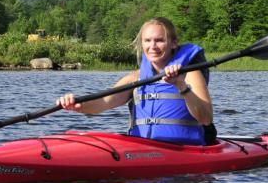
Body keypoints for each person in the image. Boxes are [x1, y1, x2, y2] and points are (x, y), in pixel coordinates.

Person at [56, 17, 215, 145]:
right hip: (143, 147)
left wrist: (181, 86)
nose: (152, 46)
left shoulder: (190, 74)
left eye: (159, 40)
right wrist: (78, 105)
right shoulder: (135, 78)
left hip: (184, 151)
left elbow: (206, 118)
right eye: (147, 40)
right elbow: (105, 102)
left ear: (173, 43)